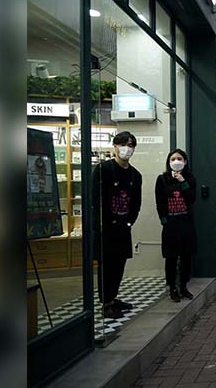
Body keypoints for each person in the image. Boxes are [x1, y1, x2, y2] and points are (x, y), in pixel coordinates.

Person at [93, 131, 142, 319]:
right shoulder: (103, 170)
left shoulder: (135, 175)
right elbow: (95, 200)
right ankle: (106, 303)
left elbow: (136, 203)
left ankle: (112, 298)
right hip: (105, 228)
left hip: (123, 227)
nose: (126, 149)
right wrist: (99, 225)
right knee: (106, 267)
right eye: (123, 144)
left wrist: (129, 222)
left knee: (119, 265)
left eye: (130, 145)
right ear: (114, 146)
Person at [154, 149, 197, 302]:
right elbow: (159, 202)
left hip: (186, 223)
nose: (176, 161)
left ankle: (183, 286)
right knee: (171, 257)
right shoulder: (162, 179)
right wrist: (164, 221)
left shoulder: (189, 178)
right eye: (173, 159)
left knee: (186, 256)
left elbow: (191, 198)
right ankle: (172, 287)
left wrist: (182, 181)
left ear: (185, 161)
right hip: (170, 225)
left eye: (179, 158)